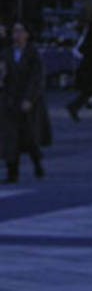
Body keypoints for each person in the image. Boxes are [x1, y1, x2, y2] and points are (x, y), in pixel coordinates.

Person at [2, 22, 49, 182]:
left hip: (28, 101)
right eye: (14, 31)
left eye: (20, 31)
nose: (17, 35)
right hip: (10, 100)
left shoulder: (33, 53)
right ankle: (12, 173)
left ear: (26, 34)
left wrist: (29, 98)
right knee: (10, 137)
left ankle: (37, 163)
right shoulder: (6, 53)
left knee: (29, 136)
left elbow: (36, 78)